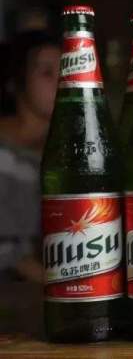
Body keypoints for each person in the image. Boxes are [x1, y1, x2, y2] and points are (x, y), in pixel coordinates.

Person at [0, 30, 60, 282]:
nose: (62, 81)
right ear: (17, 81)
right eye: (47, 72)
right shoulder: (5, 154)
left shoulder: (68, 150)